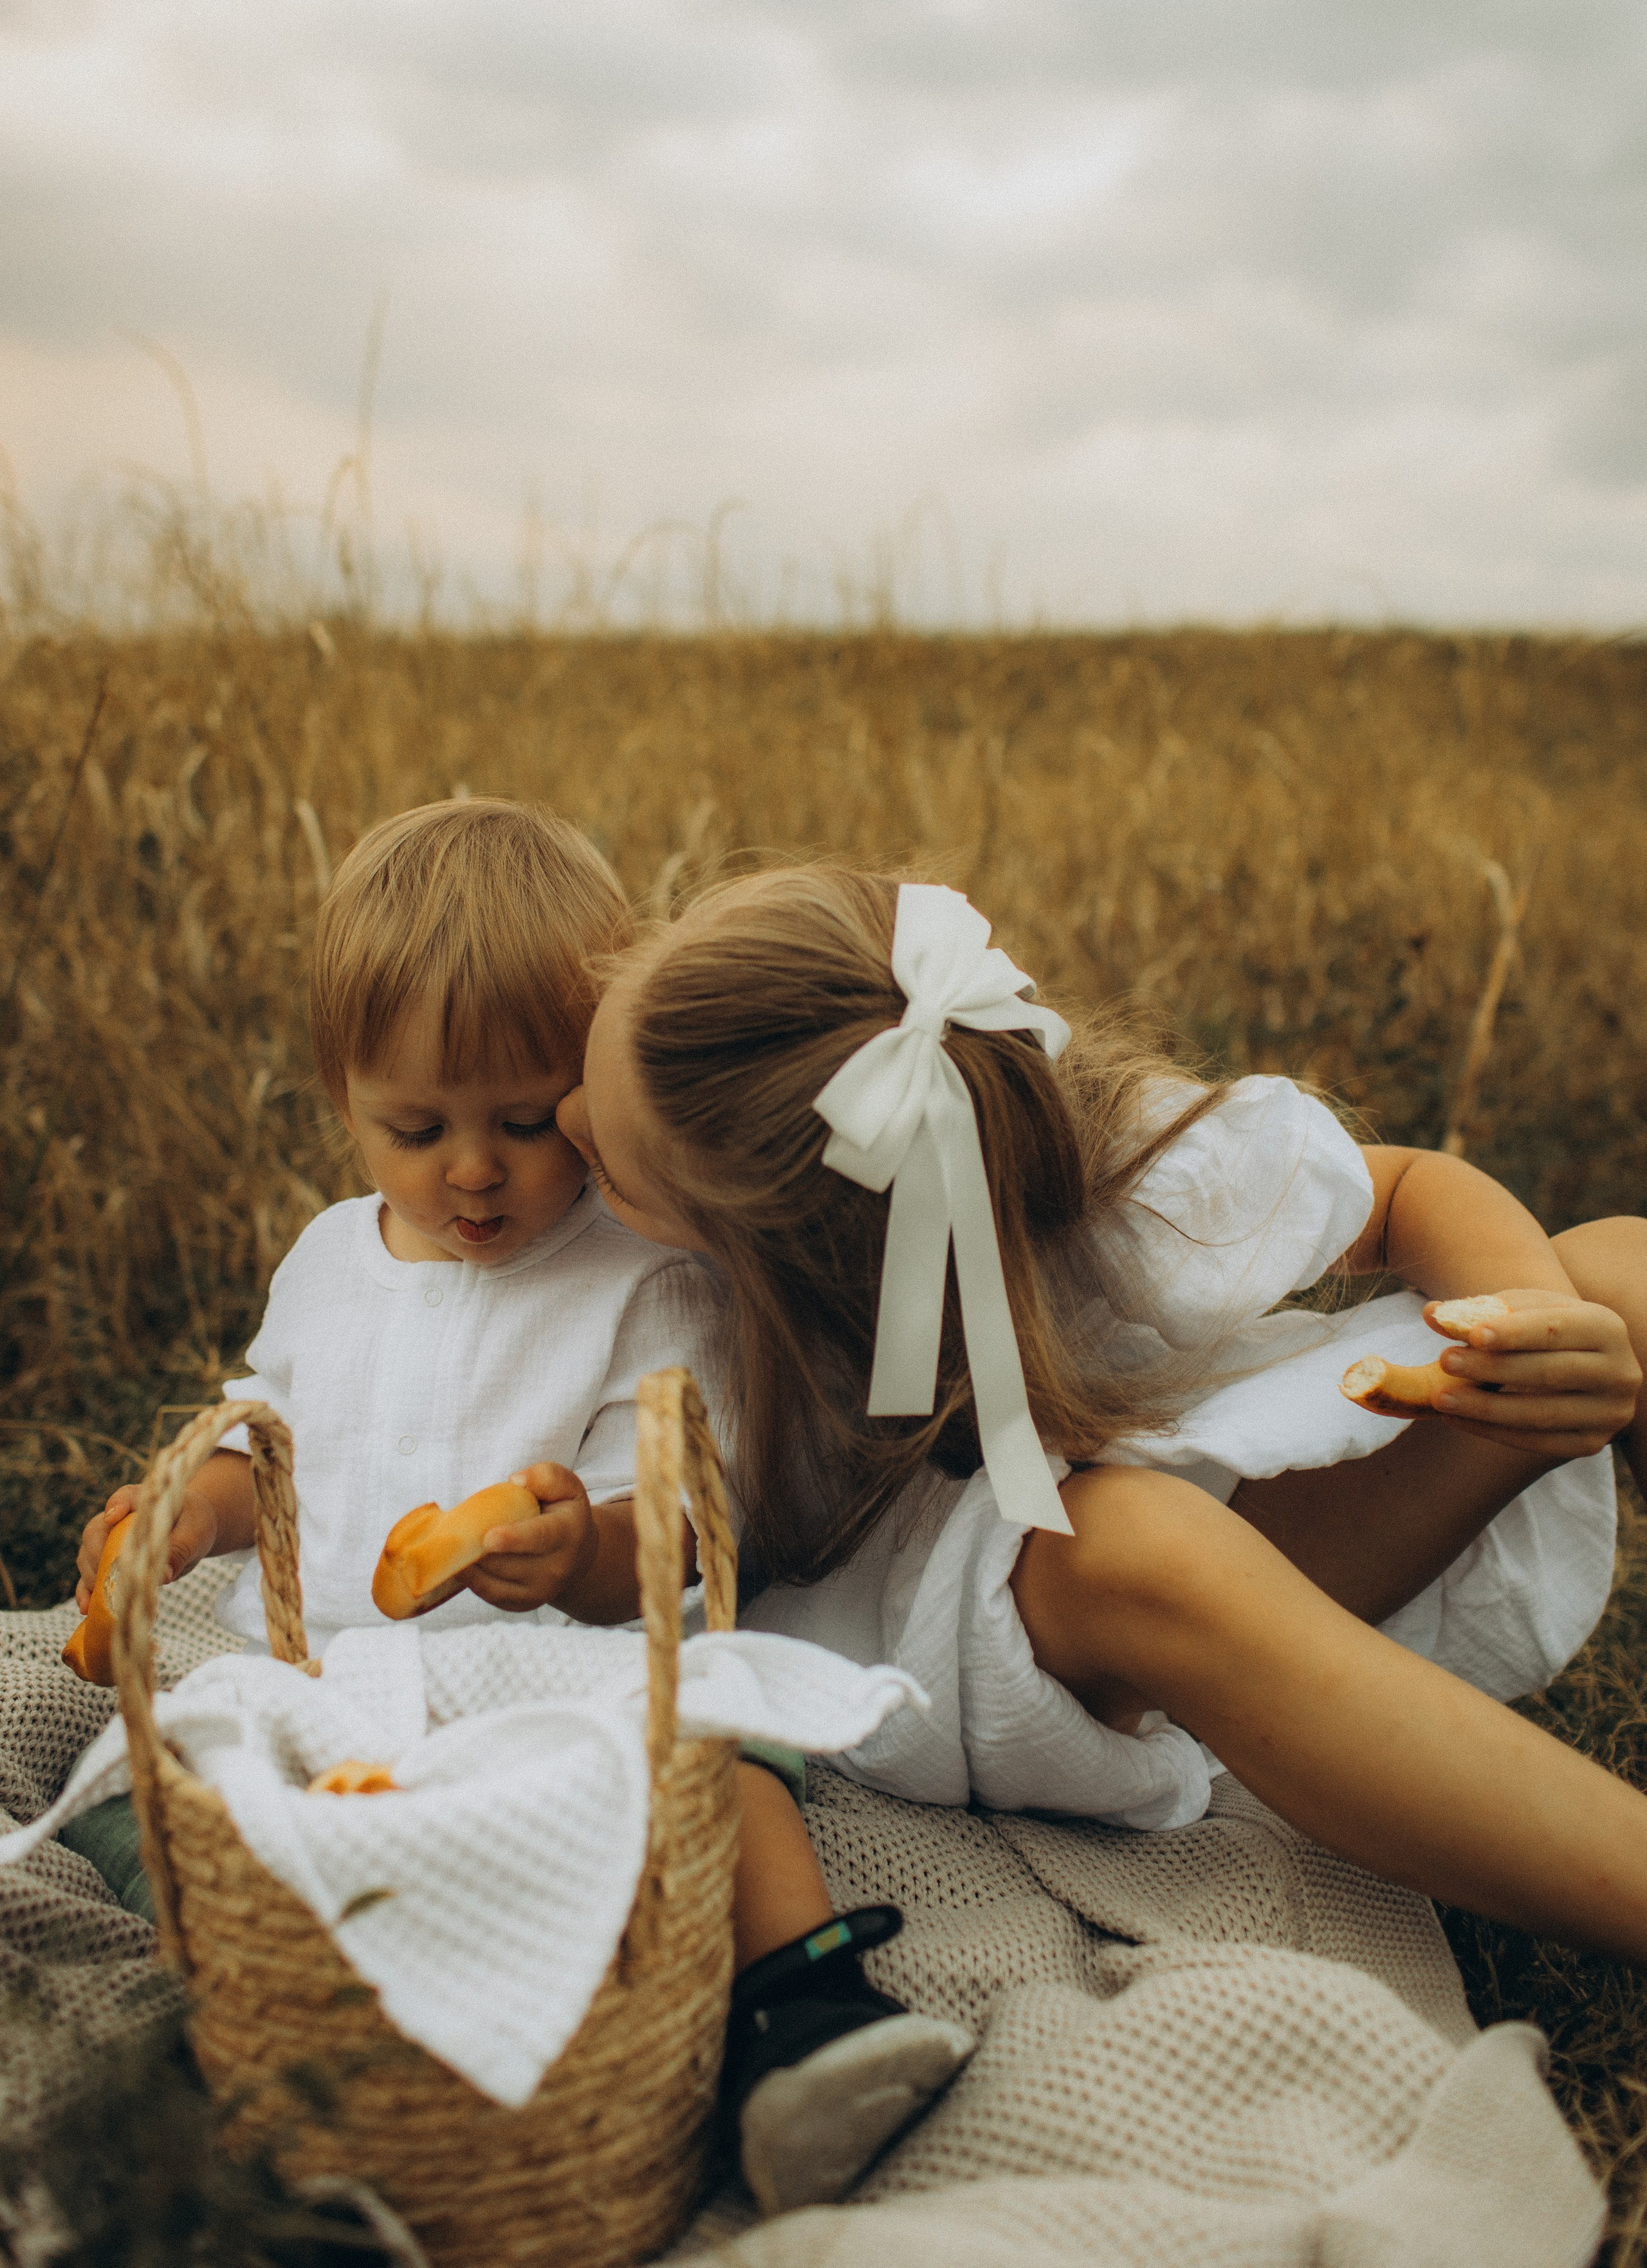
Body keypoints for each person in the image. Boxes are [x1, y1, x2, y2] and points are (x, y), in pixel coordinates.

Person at [67, 805, 970, 2215]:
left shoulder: (639, 1274)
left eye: (527, 1121)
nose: (473, 1170)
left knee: (725, 1734)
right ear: (342, 1091)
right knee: (155, 1783)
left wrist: (583, 1552)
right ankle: (259, 2012)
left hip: (560, 1673)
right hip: (329, 1678)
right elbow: (282, 1450)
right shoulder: (324, 1262)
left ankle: (802, 2016)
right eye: (414, 1127)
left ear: (593, 1089)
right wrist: (195, 1513)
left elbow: (680, 1522)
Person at [554, 863, 1647, 1966]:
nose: (557, 1124)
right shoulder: (689, 1331)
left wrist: (1528, 1321)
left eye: (602, 1160)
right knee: (1137, 1542)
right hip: (977, 1619)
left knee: (1619, 1270)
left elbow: (1408, 1190)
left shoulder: (1074, 1145)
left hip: (1190, 1476)